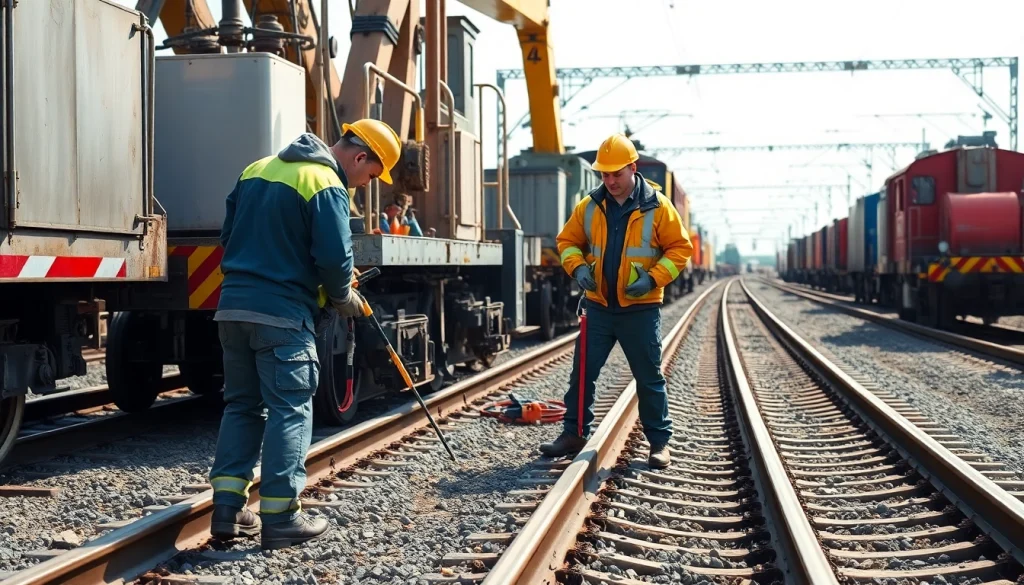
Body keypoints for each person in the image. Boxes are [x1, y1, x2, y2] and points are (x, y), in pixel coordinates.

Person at [207, 119, 402, 550]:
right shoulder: (325, 183)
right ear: (359, 157)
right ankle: (281, 517)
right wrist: (342, 295)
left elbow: (228, 236)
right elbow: (334, 259)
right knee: (290, 409)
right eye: (371, 176)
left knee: (242, 406)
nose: (366, 185)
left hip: (233, 309)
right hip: (282, 315)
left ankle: (228, 509)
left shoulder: (257, 168)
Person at [540, 133, 693, 469]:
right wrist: (578, 268)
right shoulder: (589, 206)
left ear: (633, 169)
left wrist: (652, 279)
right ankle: (574, 433)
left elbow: (680, 249)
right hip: (598, 308)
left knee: (649, 378)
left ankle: (659, 443)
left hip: (640, 311)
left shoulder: (658, 207)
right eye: (604, 174)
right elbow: (567, 242)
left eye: (616, 174)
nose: (610, 181)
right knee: (582, 374)